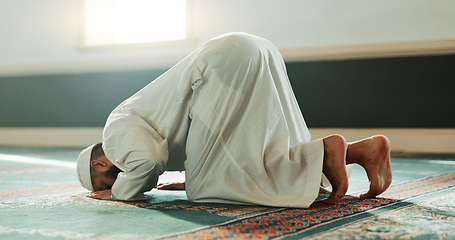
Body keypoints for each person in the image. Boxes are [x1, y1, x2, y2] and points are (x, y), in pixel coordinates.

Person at [76, 32, 391, 208]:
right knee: (258, 149)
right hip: (250, 49)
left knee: (204, 190)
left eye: (104, 183)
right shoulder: (131, 119)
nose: (111, 185)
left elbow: (148, 158)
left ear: (100, 165)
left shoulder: (114, 131)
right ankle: (358, 151)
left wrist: (119, 193)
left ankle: (332, 151)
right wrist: (195, 171)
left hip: (224, 62)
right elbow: (185, 136)